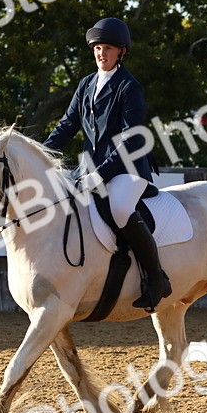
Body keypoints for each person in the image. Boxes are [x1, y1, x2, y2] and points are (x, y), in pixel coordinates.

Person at [43, 17, 171, 312]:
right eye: (98, 48)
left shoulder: (129, 87)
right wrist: (42, 153)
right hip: (90, 167)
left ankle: (156, 278)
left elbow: (130, 140)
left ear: (121, 52)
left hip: (128, 167)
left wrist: (100, 174)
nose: (102, 53)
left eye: (108, 48)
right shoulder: (86, 84)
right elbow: (67, 125)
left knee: (121, 208)